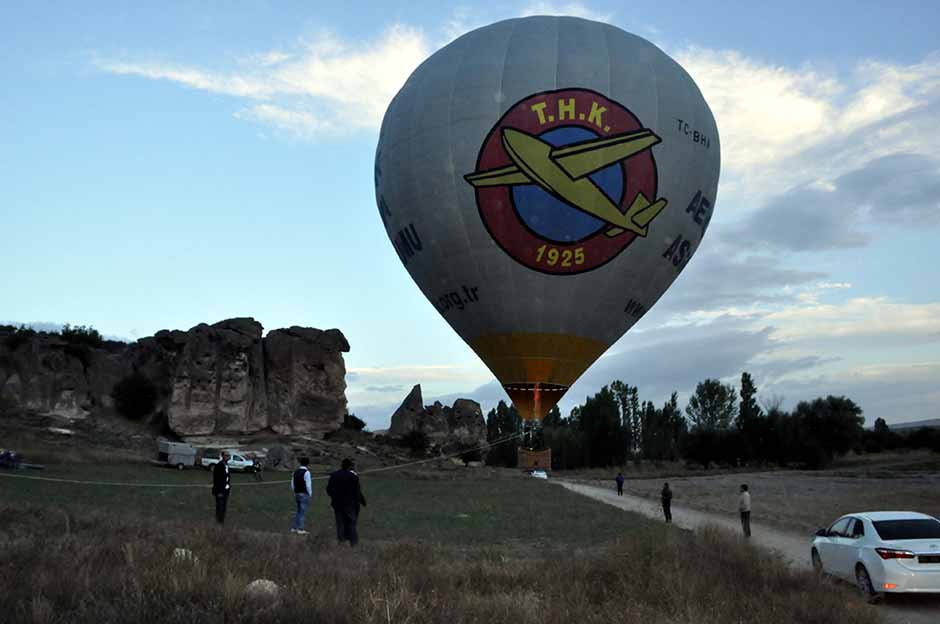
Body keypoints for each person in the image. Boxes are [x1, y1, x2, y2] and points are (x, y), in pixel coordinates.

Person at [326, 458, 367, 546]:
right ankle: (353, 542)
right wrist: (363, 501)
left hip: (337, 504)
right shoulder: (353, 477)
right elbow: (357, 491)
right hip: (350, 504)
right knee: (351, 523)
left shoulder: (334, 475)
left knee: (340, 523)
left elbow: (329, 489)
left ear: (341, 465)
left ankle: (341, 542)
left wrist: (333, 497)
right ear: (350, 466)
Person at [289, 457, 313, 535]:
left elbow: (292, 484)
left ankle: (294, 527)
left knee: (298, 511)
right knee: (302, 511)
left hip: (297, 493)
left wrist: (295, 491)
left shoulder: (295, 472)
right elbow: (308, 485)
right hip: (304, 493)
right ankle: (300, 528)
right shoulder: (307, 472)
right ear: (308, 464)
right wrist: (310, 494)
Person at [211, 451, 231, 524]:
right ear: (223, 456)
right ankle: (218, 520)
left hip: (226, 490)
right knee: (219, 505)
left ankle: (222, 520)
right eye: (227, 455)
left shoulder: (227, 465)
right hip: (220, 490)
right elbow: (216, 479)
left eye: (229, 455)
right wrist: (219, 491)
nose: (228, 457)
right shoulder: (219, 465)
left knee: (224, 505)